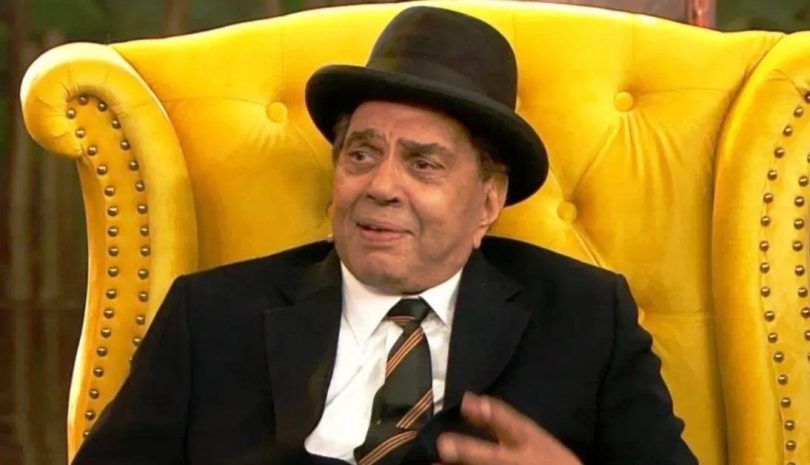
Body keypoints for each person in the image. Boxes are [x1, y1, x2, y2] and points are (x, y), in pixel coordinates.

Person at [72, 6, 697, 465]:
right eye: (361, 154)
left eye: (423, 164)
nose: (381, 186)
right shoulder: (209, 317)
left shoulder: (586, 318)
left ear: (488, 201)